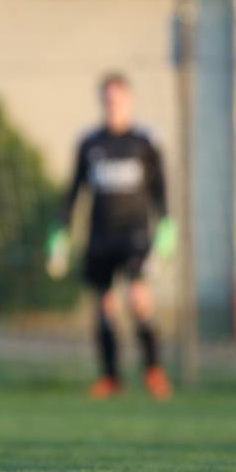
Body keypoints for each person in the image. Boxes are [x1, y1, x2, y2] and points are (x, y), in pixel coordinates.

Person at [48, 72, 175, 401]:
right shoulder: (90, 143)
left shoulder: (144, 141)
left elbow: (160, 189)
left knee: (138, 299)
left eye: (118, 99)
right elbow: (74, 192)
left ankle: (153, 370)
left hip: (135, 235)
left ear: (129, 100)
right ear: (102, 102)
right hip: (100, 235)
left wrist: (166, 228)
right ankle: (111, 377)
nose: (113, 105)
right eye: (108, 99)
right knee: (104, 306)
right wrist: (61, 233)